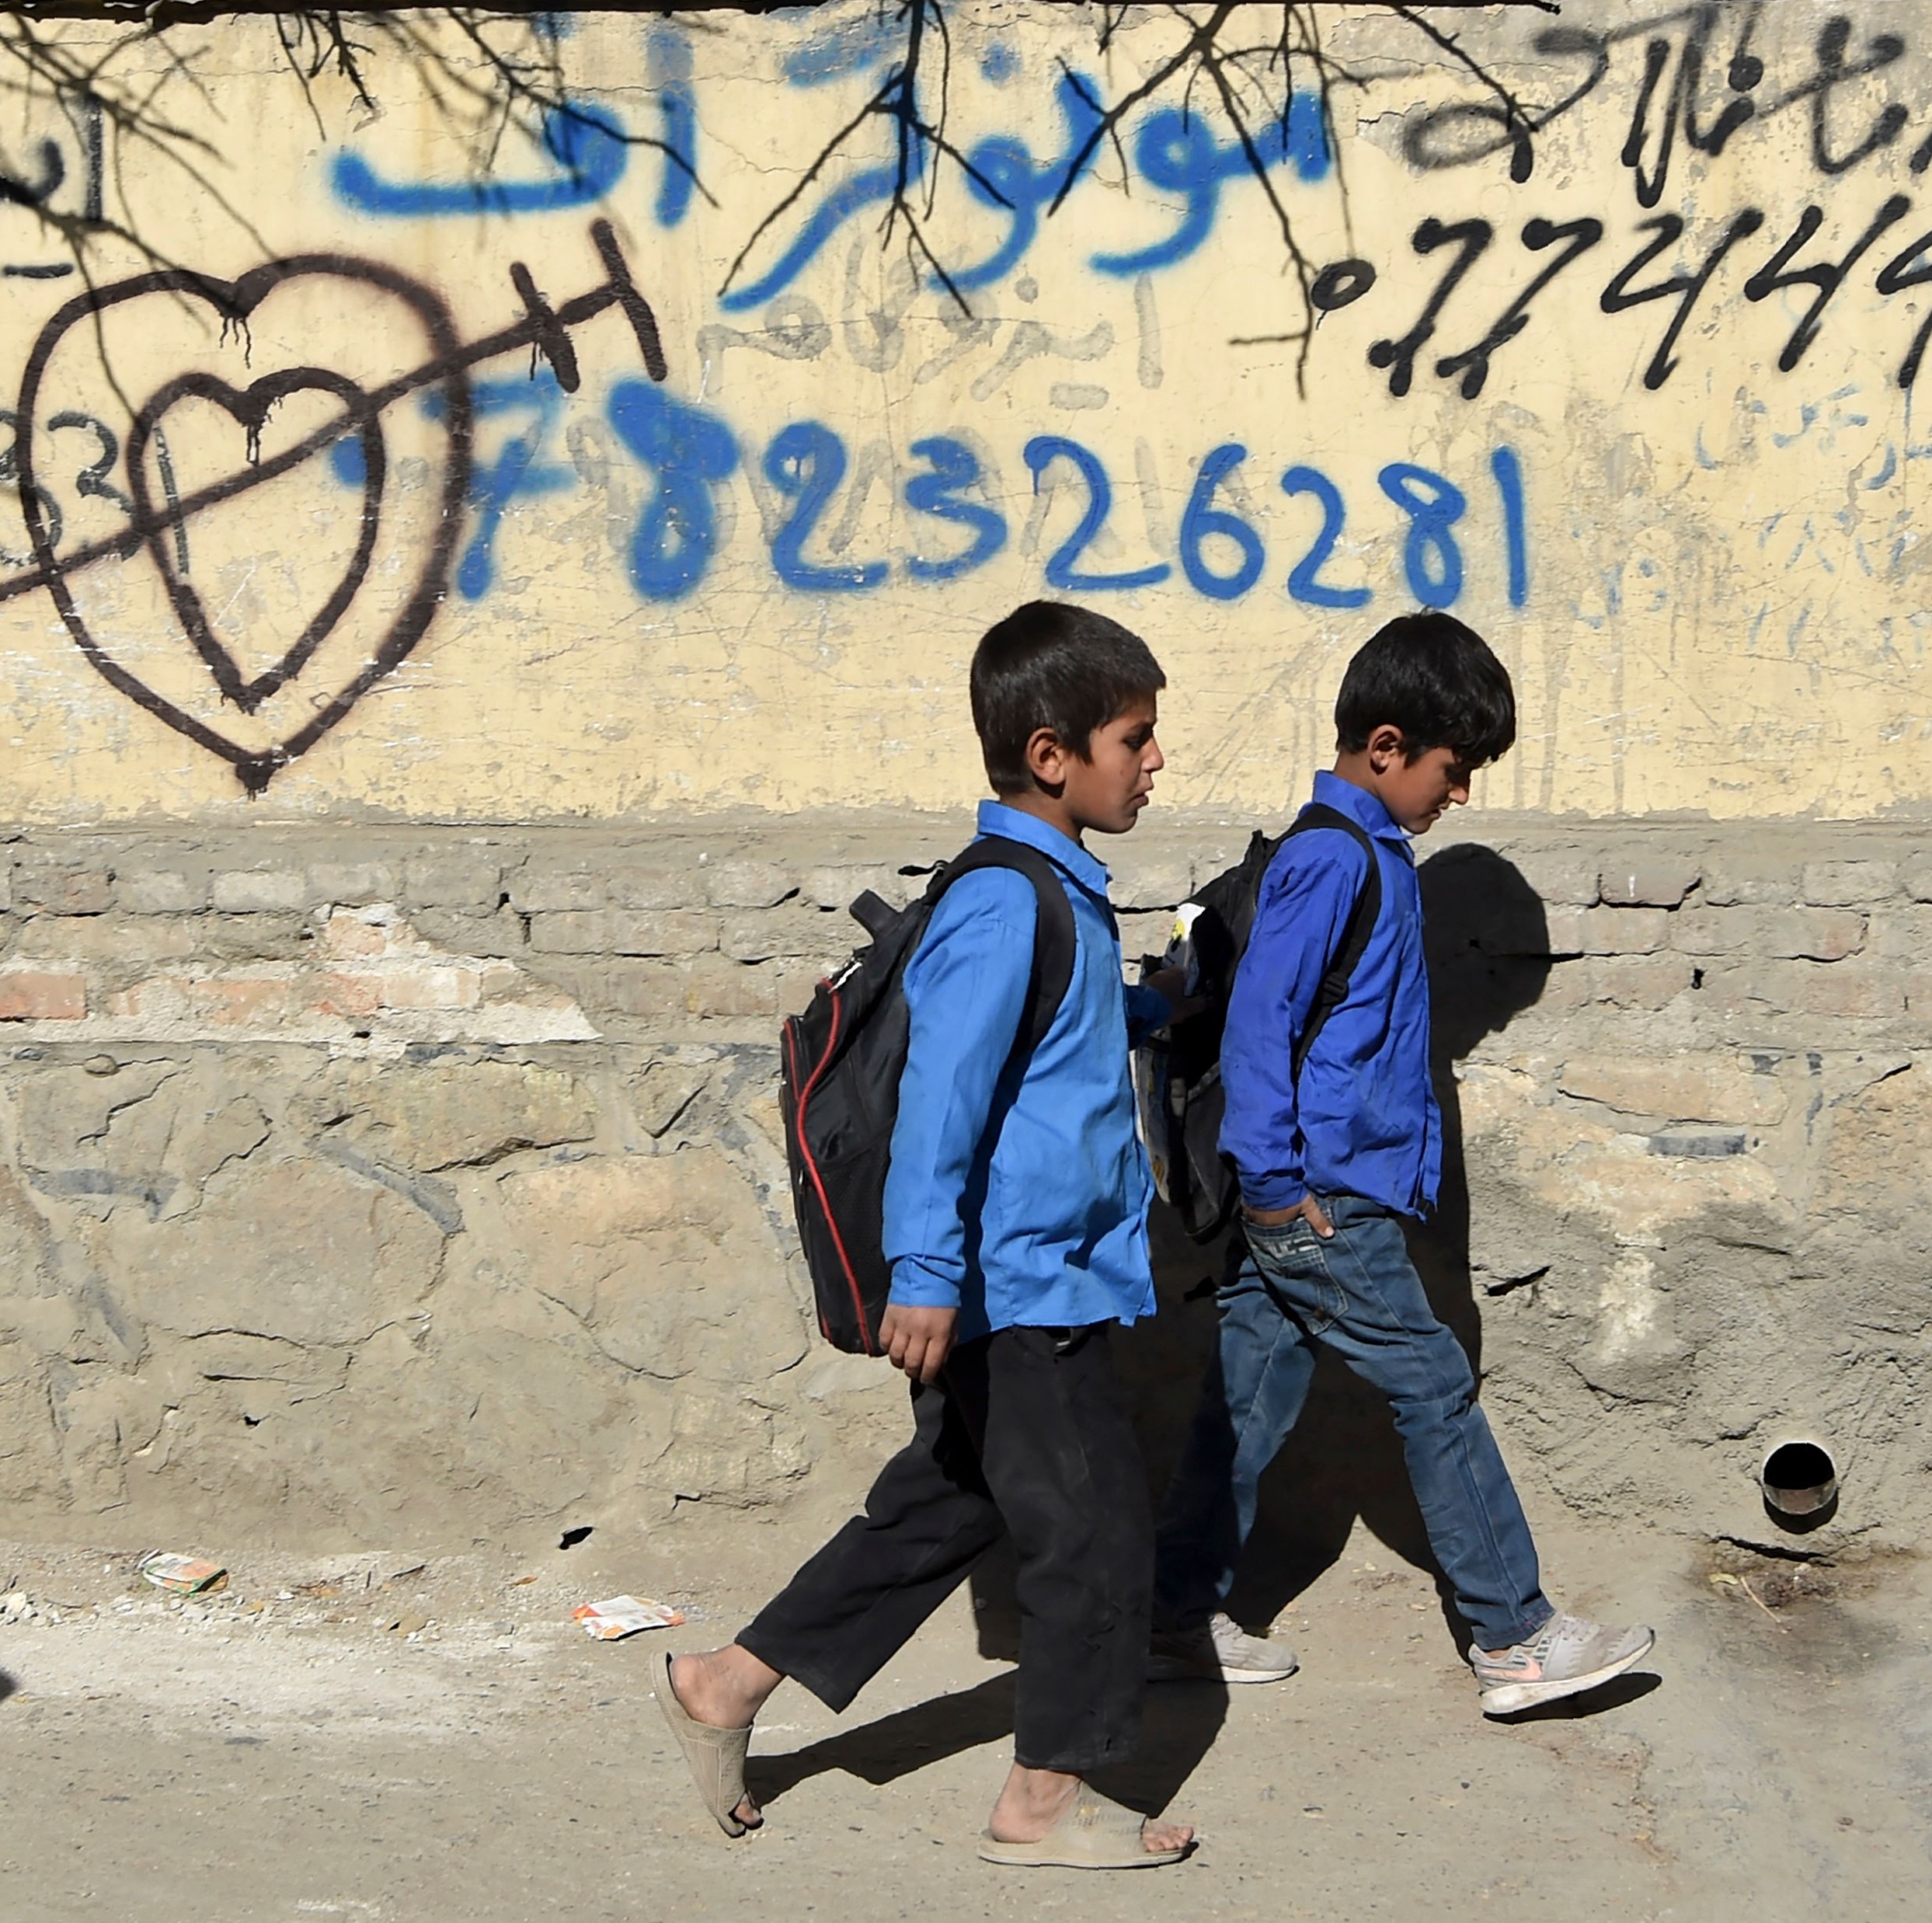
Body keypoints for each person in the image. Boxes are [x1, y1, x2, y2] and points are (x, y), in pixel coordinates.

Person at [654, 601, 1197, 1869]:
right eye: (1137, 737)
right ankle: (1042, 1803)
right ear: (1054, 756)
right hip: (1016, 1287)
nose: (1155, 761)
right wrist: (928, 1276)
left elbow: (1049, 1043)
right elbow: (941, 1104)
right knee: (1094, 1530)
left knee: (949, 1503)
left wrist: (1157, 1002)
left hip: (1034, 1273)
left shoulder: (1052, 894)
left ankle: (725, 1684)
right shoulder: (1007, 905)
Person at [1150, 611, 1654, 1716]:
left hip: (1320, 1192)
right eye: (1452, 769)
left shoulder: (1363, 856)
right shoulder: (1332, 861)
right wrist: (1281, 1192)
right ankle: (1516, 1637)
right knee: (1432, 1387)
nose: (1458, 793)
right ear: (1385, 747)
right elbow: (1260, 1030)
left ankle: (1171, 1618)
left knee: (1248, 1395)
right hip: (1321, 1199)